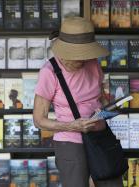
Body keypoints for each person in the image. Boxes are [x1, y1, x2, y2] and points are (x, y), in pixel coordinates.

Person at [33, 17, 123, 187]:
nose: (81, 60)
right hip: (70, 142)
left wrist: (111, 108)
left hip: (101, 138)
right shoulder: (49, 71)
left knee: (113, 182)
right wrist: (72, 126)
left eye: (84, 54)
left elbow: (101, 99)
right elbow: (38, 120)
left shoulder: (94, 64)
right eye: (75, 55)